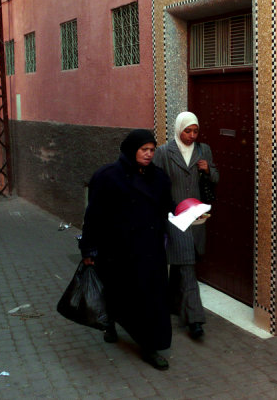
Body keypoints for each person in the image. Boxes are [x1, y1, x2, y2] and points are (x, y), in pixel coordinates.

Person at [78, 129, 174, 370]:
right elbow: (93, 216)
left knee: (151, 300)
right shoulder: (108, 176)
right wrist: (88, 250)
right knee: (116, 291)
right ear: (132, 150)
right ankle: (109, 323)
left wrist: (187, 213)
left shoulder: (159, 177)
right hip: (118, 251)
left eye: (152, 150)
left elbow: (167, 206)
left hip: (150, 250)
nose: (149, 155)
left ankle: (150, 347)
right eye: (144, 150)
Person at [153, 112, 219, 340]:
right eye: (187, 131)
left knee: (185, 261)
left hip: (198, 217)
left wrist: (208, 170)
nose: (191, 136)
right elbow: (155, 182)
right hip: (175, 217)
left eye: (195, 131)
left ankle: (171, 303)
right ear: (178, 129)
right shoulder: (163, 152)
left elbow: (217, 178)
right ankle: (195, 320)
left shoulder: (204, 150)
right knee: (188, 265)